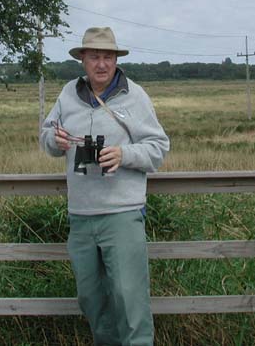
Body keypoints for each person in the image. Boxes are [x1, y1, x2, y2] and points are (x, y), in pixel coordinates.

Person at [40, 26, 169, 346]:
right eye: (94, 56)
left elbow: (158, 148)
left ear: (116, 59)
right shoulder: (68, 94)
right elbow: (47, 138)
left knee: (130, 300)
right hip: (81, 215)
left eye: (107, 57)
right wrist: (54, 140)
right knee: (91, 299)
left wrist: (123, 154)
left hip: (122, 214)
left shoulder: (134, 95)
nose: (101, 64)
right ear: (82, 59)